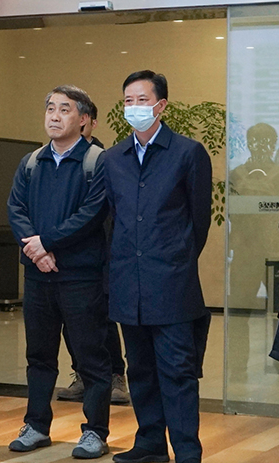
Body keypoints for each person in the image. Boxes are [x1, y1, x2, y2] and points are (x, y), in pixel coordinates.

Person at [105, 71, 212, 463]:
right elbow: (112, 218)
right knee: (140, 369)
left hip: (172, 283)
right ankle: (150, 443)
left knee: (178, 372)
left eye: (142, 100)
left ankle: (187, 451)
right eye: (128, 100)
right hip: (127, 283)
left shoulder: (187, 153)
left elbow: (198, 222)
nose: (134, 107)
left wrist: (175, 259)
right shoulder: (113, 158)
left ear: (161, 105)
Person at [6, 86, 112, 459]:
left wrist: (46, 243)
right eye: (50, 108)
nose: (54, 115)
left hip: (81, 277)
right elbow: (15, 208)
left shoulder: (98, 161)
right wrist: (36, 251)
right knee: (39, 356)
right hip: (38, 276)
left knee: (90, 358)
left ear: (83, 119)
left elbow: (92, 213)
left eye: (64, 109)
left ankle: (95, 432)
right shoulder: (31, 162)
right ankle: (36, 426)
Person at [57, 101, 130, 406]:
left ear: (89, 122)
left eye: (69, 113)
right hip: (64, 255)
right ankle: (81, 374)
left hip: (98, 252)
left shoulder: (104, 159)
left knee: (101, 319)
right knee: (68, 320)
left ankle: (115, 376)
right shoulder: (54, 159)